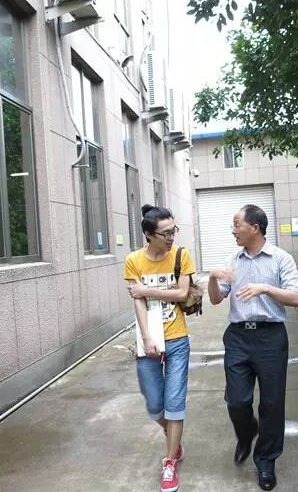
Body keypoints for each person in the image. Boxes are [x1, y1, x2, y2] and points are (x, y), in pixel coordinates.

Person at [207, 204, 298, 491]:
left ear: (255, 228)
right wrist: (212, 279)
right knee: (237, 400)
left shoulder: (280, 259)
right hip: (237, 336)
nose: (233, 230)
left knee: (272, 403)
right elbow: (216, 299)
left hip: (270, 338)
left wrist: (265, 288)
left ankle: (266, 461)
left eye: (237, 224)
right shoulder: (232, 260)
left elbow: (295, 298)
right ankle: (247, 432)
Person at [124, 204, 196, 492]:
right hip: (149, 340)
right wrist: (147, 338)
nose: (171, 237)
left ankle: (169, 461)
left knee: (174, 402)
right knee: (155, 405)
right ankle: (174, 441)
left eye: (173, 231)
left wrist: (146, 290)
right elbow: (138, 302)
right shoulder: (133, 261)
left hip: (177, 338)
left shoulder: (181, 255)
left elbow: (181, 293)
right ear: (148, 235)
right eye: (165, 233)